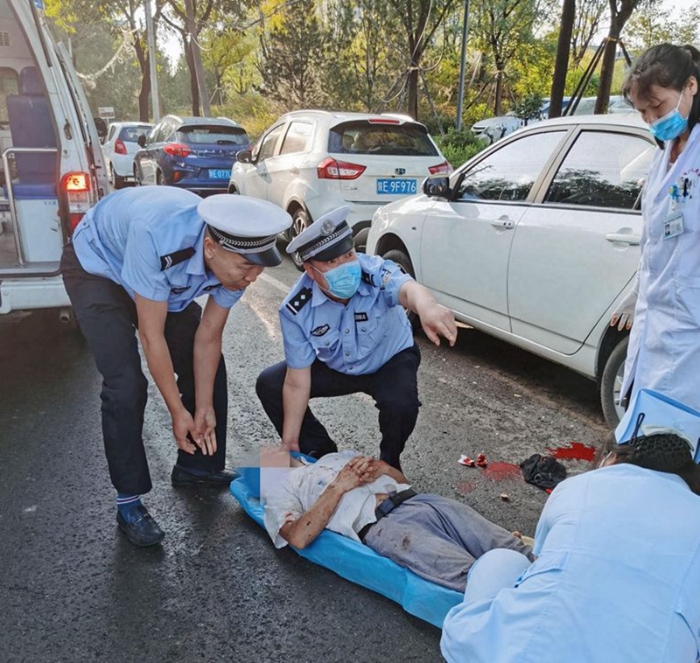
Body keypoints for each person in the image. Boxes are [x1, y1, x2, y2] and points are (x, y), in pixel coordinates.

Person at [60, 186, 291, 547]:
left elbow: (208, 337)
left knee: (210, 372)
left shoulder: (239, 261)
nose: (251, 279)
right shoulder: (158, 234)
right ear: (211, 248)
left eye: (258, 270)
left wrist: (201, 407)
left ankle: (196, 467)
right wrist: (176, 411)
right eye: (246, 268)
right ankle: (128, 502)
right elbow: (153, 338)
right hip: (99, 269)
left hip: (163, 279)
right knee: (125, 383)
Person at [440, 432, 700, 663]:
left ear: (612, 459)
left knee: (503, 561)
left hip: (514, 654)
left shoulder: (578, 486)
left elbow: (538, 561)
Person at [255, 207, 457, 470]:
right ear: (310, 270)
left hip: (389, 360)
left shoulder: (374, 272)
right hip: (339, 366)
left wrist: (428, 307)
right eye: (331, 262)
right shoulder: (296, 309)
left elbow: (408, 289)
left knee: (401, 404)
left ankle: (390, 464)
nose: (345, 266)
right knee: (271, 383)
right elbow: (297, 381)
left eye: (348, 255)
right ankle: (317, 448)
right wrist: (289, 441)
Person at [261, 449, 534, 592]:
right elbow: (297, 537)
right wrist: (338, 487)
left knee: (511, 548)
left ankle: (565, 584)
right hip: (385, 527)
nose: (269, 451)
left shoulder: (333, 457)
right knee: (474, 576)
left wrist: (384, 468)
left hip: (420, 501)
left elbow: (402, 481)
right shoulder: (281, 489)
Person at [612, 44, 700, 410]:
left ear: (691, 86)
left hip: (690, 330)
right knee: (646, 432)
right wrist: (637, 293)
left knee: (676, 445)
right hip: (657, 319)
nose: (651, 120)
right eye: (643, 112)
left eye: (657, 107)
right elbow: (654, 240)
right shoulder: (664, 153)